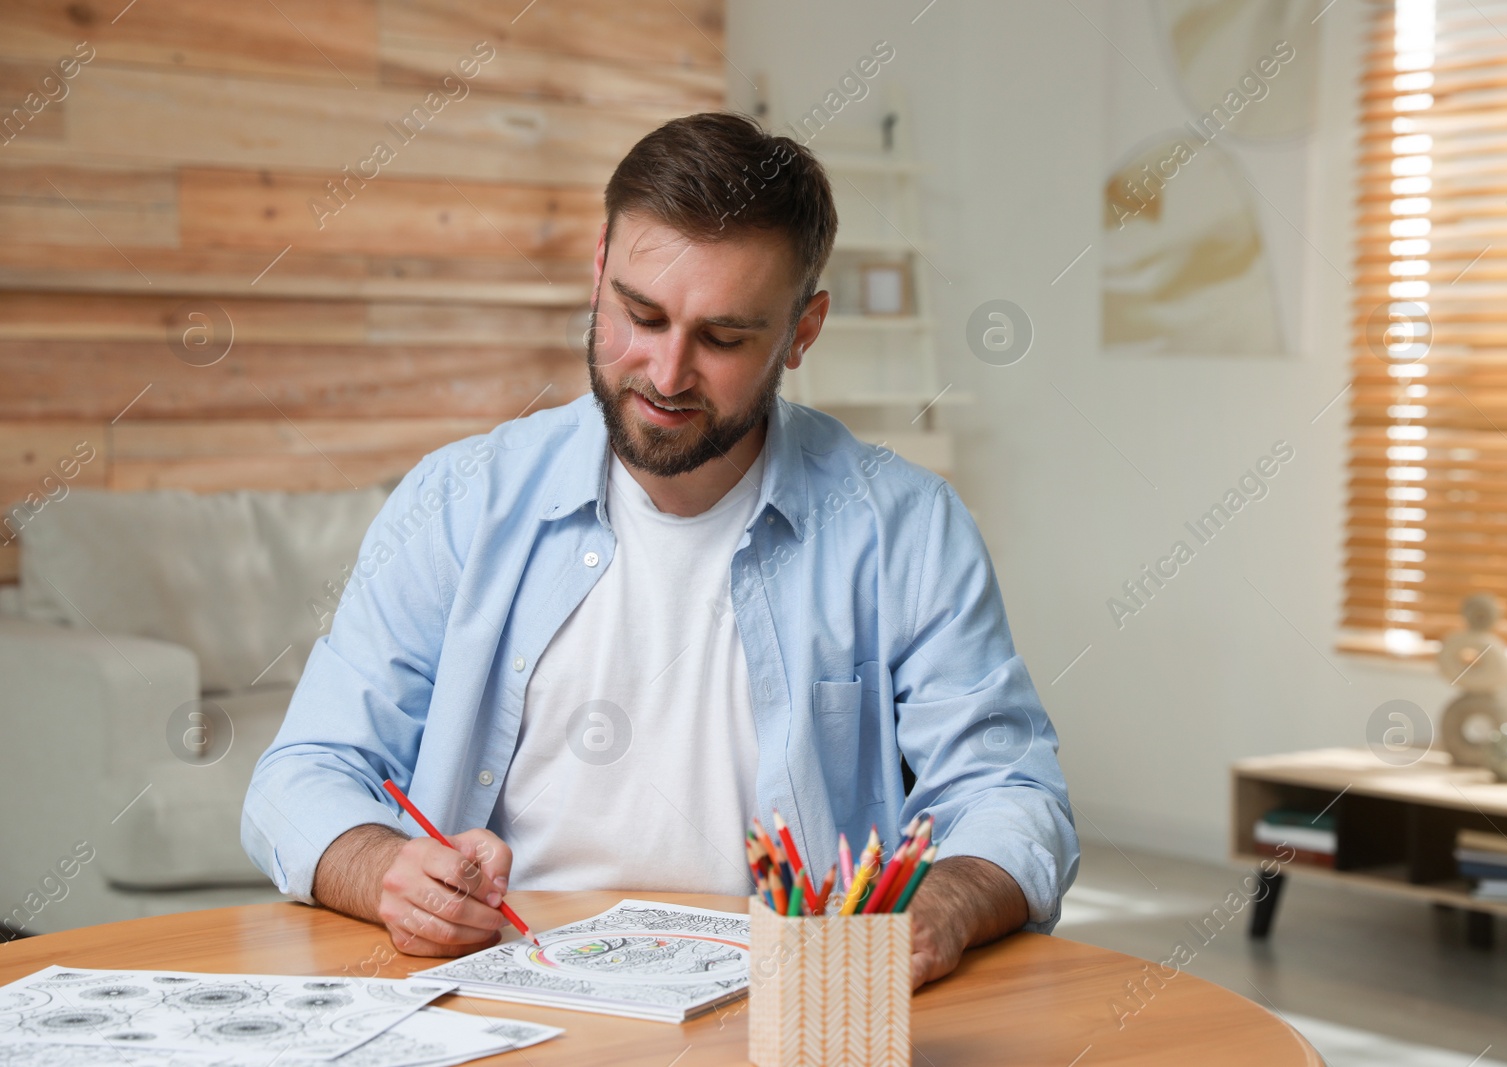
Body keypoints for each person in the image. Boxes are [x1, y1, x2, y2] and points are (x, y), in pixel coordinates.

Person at [243, 111, 1078, 990]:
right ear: (599, 269)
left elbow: (1012, 793)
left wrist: (940, 904)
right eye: (640, 314)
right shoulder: (457, 502)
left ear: (803, 330)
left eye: (723, 338)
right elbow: (303, 774)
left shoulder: (907, 526)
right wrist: (385, 871)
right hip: (503, 988)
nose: (667, 372)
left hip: (785, 1006)